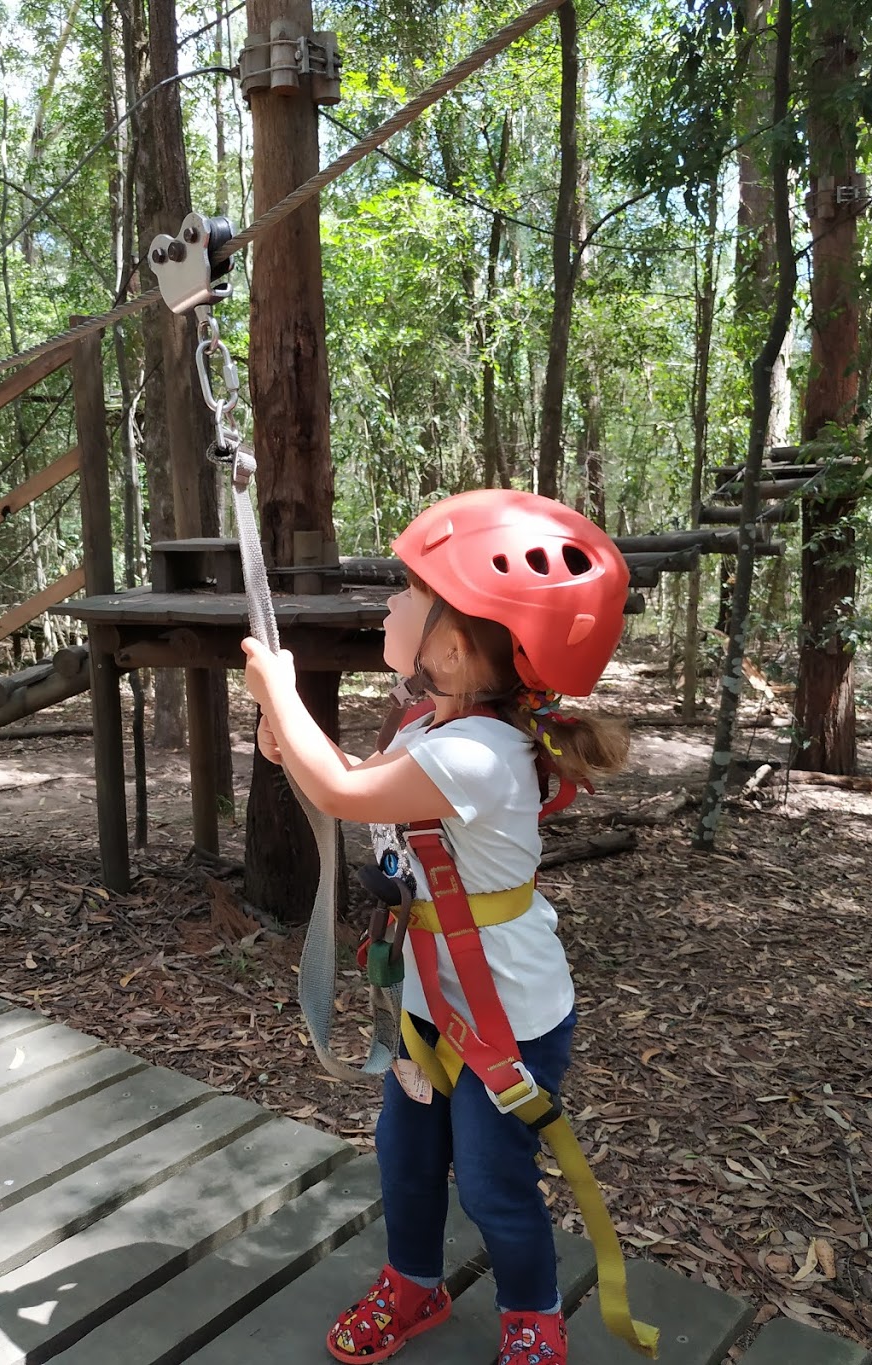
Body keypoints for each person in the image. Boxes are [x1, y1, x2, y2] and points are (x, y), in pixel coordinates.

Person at [242, 489, 631, 1365]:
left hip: (503, 1021)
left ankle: (534, 1318)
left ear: (451, 649)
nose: (389, 601)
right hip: (429, 997)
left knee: (495, 1184)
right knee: (406, 1158)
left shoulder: (479, 754)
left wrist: (281, 690)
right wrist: (289, 740)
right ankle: (415, 1285)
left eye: (408, 593)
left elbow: (345, 794)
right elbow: (358, 779)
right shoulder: (433, 720)